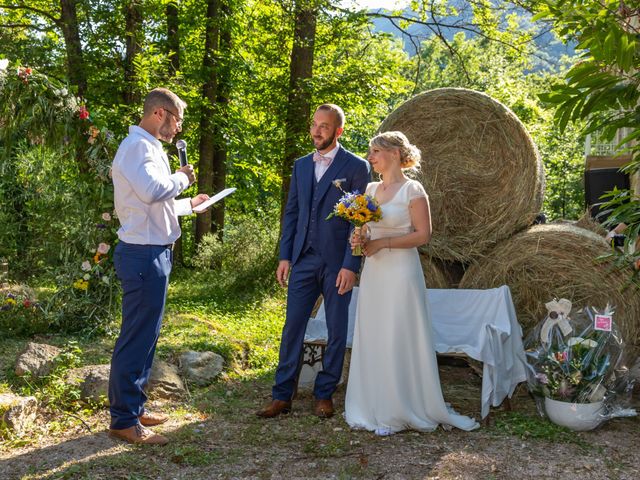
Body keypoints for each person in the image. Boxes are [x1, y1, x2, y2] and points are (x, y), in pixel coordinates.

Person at [345, 131, 479, 435]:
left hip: (401, 272)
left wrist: (384, 244)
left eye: (376, 151)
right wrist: (361, 237)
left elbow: (423, 235)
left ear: (394, 154)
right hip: (375, 272)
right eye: (370, 152)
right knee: (375, 332)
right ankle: (373, 404)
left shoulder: (412, 189)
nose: (371, 157)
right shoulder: (370, 188)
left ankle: (400, 408)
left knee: (398, 333)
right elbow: (367, 228)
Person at [108, 88, 210, 445]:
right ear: (159, 114)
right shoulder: (137, 147)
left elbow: (153, 205)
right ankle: (123, 420)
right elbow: (153, 191)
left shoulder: (148, 148)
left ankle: (134, 408)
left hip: (153, 251)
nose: (178, 128)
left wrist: (188, 205)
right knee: (136, 338)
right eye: (177, 119)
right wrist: (184, 177)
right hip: (141, 255)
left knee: (147, 337)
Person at [256, 104, 370, 419]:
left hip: (337, 263)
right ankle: (282, 395)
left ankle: (324, 393)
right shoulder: (301, 166)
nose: (317, 131)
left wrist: (351, 264)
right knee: (293, 326)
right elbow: (292, 212)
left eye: (324, 126)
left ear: (339, 131)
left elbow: (358, 221)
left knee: (336, 329)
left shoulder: (356, 166)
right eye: (314, 125)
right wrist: (285, 256)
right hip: (303, 260)